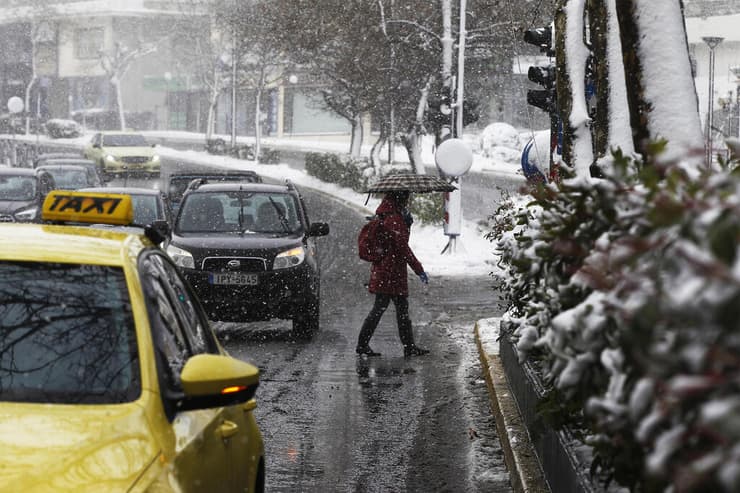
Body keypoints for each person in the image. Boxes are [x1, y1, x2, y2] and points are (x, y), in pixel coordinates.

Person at [356, 190, 430, 357]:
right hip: (391, 272)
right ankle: (407, 346)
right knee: (393, 310)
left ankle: (366, 344)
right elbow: (403, 248)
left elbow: (396, 243)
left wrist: (407, 224)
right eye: (406, 197)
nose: (408, 201)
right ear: (400, 198)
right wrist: (419, 270)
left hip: (385, 270)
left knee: (387, 309)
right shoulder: (393, 219)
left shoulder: (386, 214)